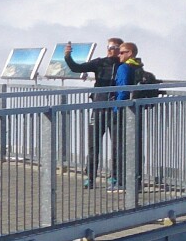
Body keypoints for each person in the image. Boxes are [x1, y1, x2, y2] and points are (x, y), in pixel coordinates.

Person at [62, 37, 124, 186]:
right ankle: (90, 177)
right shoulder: (100, 63)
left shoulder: (123, 65)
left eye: (115, 47)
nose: (111, 49)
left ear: (120, 49)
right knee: (93, 144)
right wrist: (67, 57)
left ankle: (115, 176)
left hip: (115, 110)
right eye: (109, 46)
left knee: (117, 145)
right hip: (98, 109)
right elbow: (76, 68)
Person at [110, 41, 148, 191]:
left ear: (130, 53)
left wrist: (115, 108)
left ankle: (121, 181)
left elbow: (123, 89)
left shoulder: (124, 67)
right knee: (135, 144)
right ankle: (136, 180)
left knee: (120, 145)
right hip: (135, 109)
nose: (118, 55)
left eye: (122, 52)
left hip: (123, 110)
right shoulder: (138, 66)